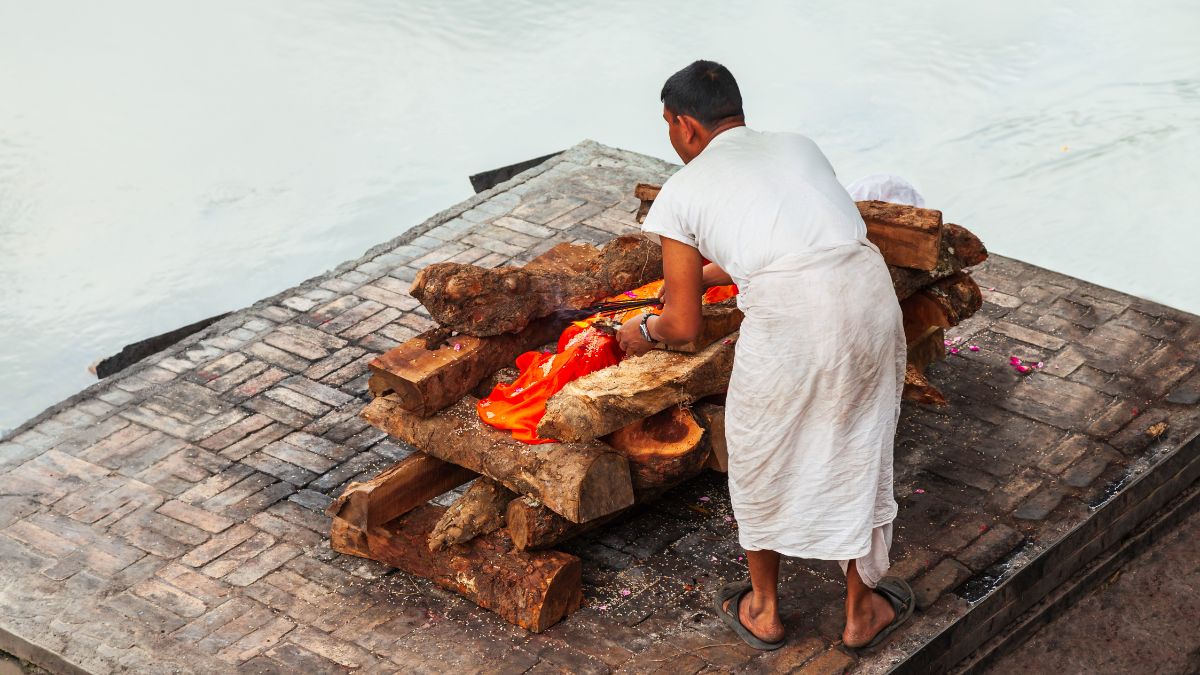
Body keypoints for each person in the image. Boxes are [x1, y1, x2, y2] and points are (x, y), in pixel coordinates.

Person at [616, 60, 914, 651]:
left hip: (792, 317)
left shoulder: (681, 192)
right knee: (861, 441)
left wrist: (642, 330)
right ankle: (861, 613)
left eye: (668, 124)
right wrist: (706, 274)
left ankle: (764, 609)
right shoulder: (799, 146)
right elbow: (792, 237)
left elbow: (683, 326)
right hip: (868, 296)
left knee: (758, 449)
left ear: (685, 126)